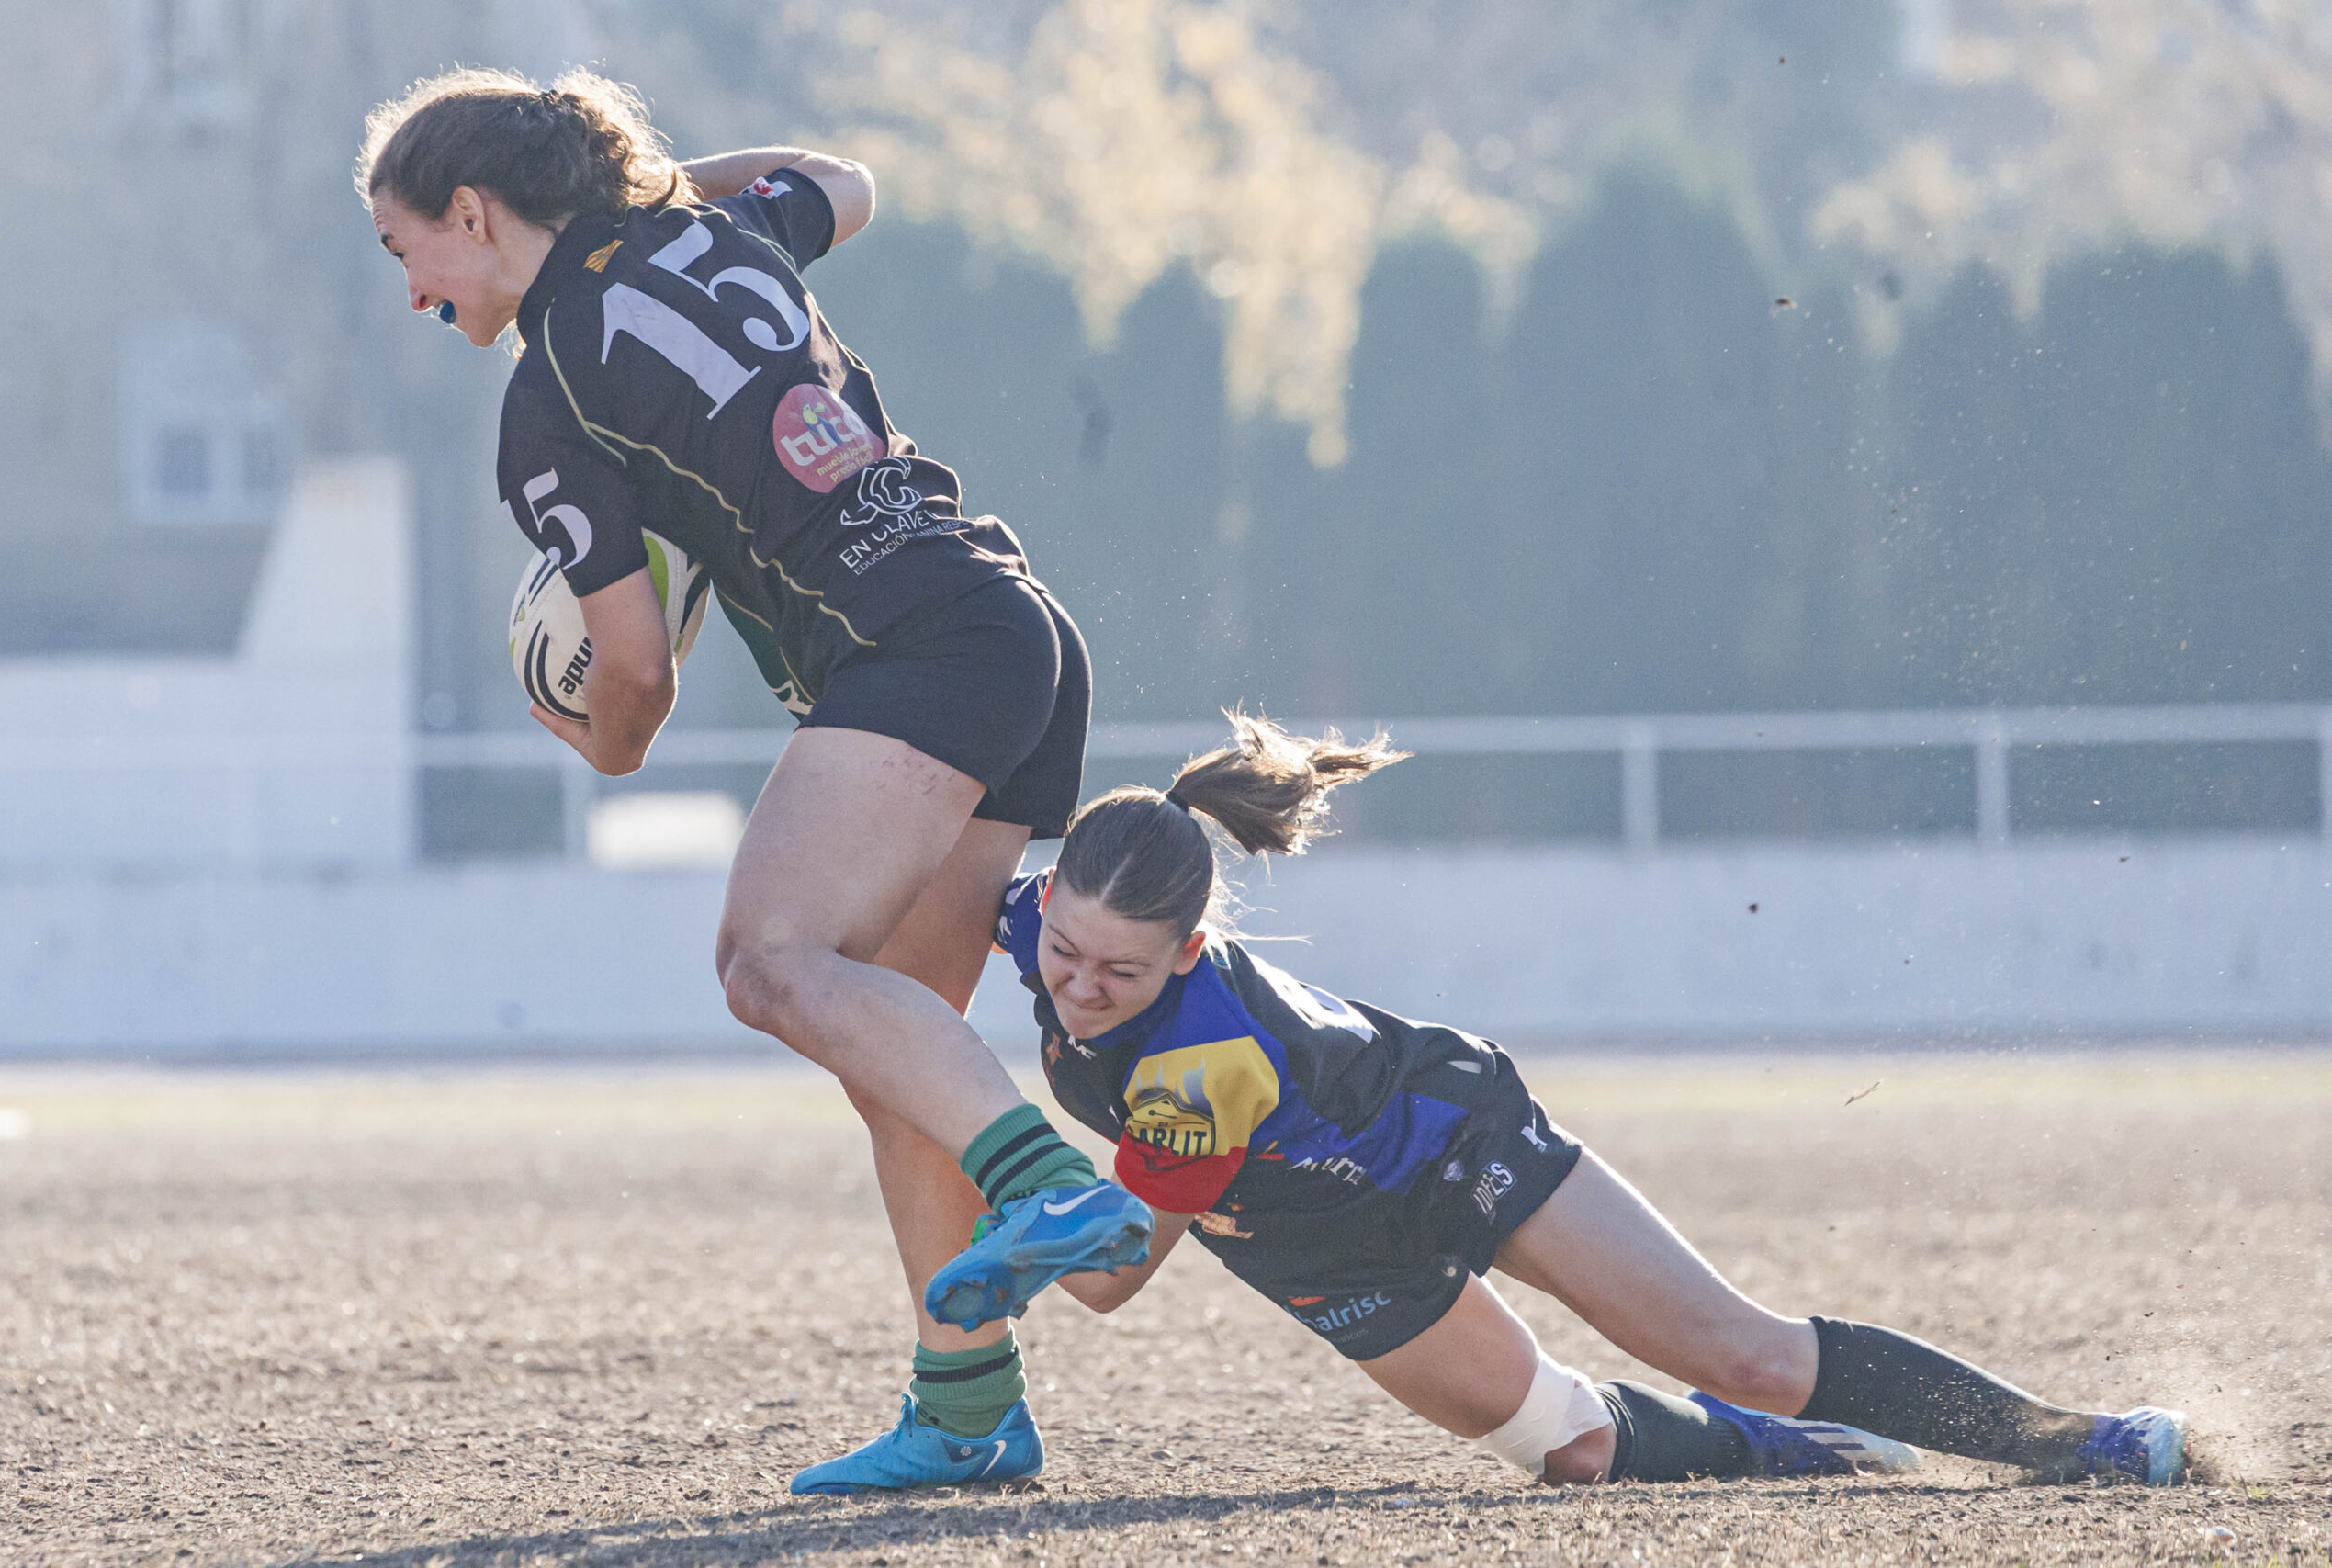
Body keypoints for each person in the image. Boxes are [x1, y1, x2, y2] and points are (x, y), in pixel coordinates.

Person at [355, 67, 1149, 1488]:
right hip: (1008, 622)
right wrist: (646, 199)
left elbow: (638, 678)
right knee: (896, 1053)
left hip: (913, 653)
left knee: (768, 965)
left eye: (406, 247)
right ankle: (968, 1412)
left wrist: (596, 744)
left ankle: (1051, 1189)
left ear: (472, 212)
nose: (412, 294)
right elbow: (849, 176)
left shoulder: (547, 401)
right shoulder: (719, 236)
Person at [798, 710, 2194, 1493]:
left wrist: (1019, 1245)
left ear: (1196, 950)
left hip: (1442, 1142)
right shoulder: (1043, 914)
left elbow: (1116, 1272)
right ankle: (1800, 1458)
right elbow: (928, 910)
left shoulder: (1203, 1064)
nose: (1080, 987)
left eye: (1122, 970)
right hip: (1310, 1236)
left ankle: (2082, 1442)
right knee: (1576, 1447)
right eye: (1062, 956)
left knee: (1738, 1346)